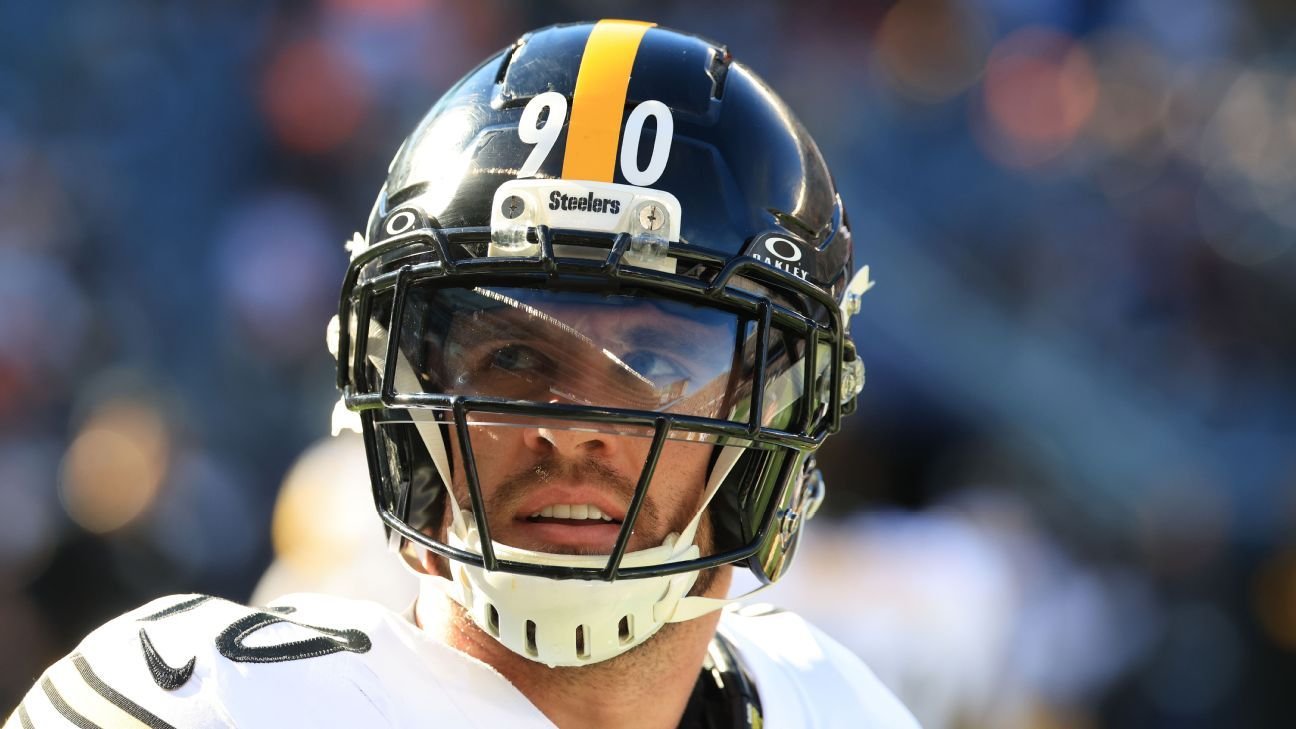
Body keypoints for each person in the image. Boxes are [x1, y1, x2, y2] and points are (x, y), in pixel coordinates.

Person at [7, 20, 918, 728]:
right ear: (400, 389)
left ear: (776, 412)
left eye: (651, 364)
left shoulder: (840, 707)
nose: (572, 424)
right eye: (514, 358)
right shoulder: (215, 704)